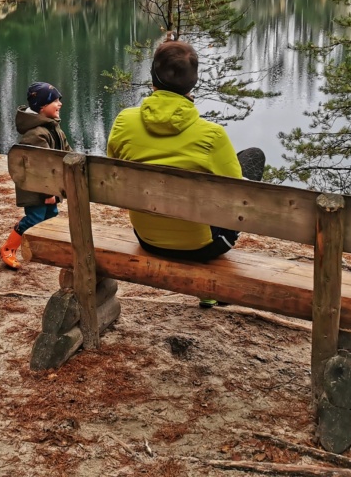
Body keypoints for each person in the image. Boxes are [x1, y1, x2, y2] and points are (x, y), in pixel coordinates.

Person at [106, 40, 265, 305]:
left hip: (147, 236)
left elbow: (114, 172)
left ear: (153, 77)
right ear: (193, 83)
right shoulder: (212, 135)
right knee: (252, 157)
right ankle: (209, 291)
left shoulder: (124, 120)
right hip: (202, 247)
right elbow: (238, 198)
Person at [0, 82, 71, 270]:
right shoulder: (36, 135)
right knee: (34, 218)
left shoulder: (53, 128)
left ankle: (43, 248)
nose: (60, 103)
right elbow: (41, 168)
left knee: (51, 215)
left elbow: (67, 151)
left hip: (50, 187)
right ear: (41, 106)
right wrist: (48, 193)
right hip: (36, 189)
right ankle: (8, 248)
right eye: (55, 100)